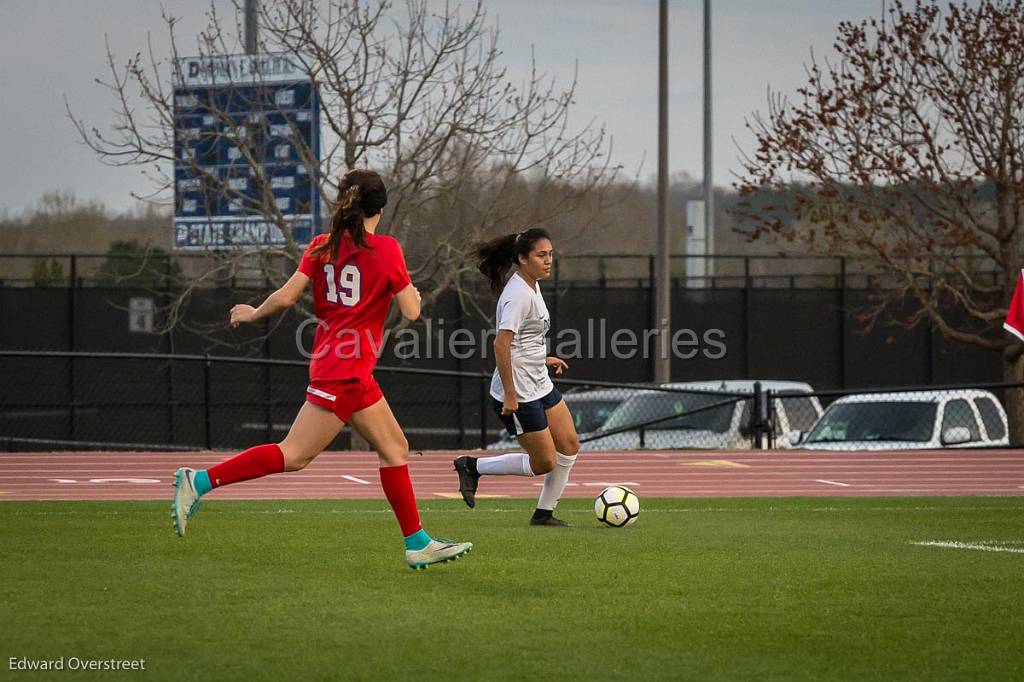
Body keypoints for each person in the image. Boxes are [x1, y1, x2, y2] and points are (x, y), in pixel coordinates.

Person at [172, 169, 472, 570]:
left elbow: (285, 296)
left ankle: (417, 542)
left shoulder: (320, 245)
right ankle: (199, 482)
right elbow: (412, 311)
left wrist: (254, 311)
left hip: (343, 365)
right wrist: (412, 293)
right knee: (293, 455)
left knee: (395, 448)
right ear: (380, 209)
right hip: (345, 371)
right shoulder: (387, 250)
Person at [453, 228, 580, 526]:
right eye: (541, 255)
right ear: (522, 259)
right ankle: (472, 466)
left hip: (538, 380)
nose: (548, 261)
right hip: (519, 392)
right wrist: (510, 394)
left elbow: (524, 339)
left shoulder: (532, 284)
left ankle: (544, 514)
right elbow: (501, 344)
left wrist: (542, 358)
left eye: (550, 254)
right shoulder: (518, 295)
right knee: (544, 462)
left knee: (570, 443)